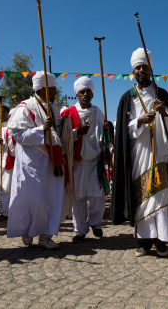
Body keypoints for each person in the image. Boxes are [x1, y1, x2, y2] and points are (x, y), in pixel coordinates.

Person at [111, 48, 168, 257]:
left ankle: (161, 240)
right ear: (133, 71)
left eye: (144, 66)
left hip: (161, 154)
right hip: (138, 154)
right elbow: (121, 132)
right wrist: (138, 122)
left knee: (160, 197)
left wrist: (165, 113)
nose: (141, 70)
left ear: (151, 69)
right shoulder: (128, 97)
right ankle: (143, 241)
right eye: (137, 67)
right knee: (142, 197)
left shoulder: (163, 95)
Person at [6, 71, 67, 249]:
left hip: (52, 161)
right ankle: (27, 230)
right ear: (41, 89)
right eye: (52, 89)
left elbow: (58, 134)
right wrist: (41, 130)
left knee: (51, 198)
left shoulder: (54, 108)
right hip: (31, 163)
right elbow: (18, 135)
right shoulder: (25, 108)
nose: (56, 92)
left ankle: (45, 236)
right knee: (34, 199)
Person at [62, 76, 107, 243]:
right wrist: (76, 133)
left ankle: (95, 223)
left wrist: (109, 147)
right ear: (77, 94)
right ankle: (80, 230)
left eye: (88, 91)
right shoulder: (67, 113)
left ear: (92, 94)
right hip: (77, 162)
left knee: (97, 195)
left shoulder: (98, 112)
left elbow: (105, 133)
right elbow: (62, 137)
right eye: (82, 92)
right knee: (78, 197)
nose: (85, 94)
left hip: (95, 160)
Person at [0, 107, 16, 221]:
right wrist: (0, 144)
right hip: (5, 163)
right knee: (4, 188)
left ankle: (17, 212)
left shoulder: (21, 129)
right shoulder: (1, 131)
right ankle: (4, 213)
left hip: (19, 164)